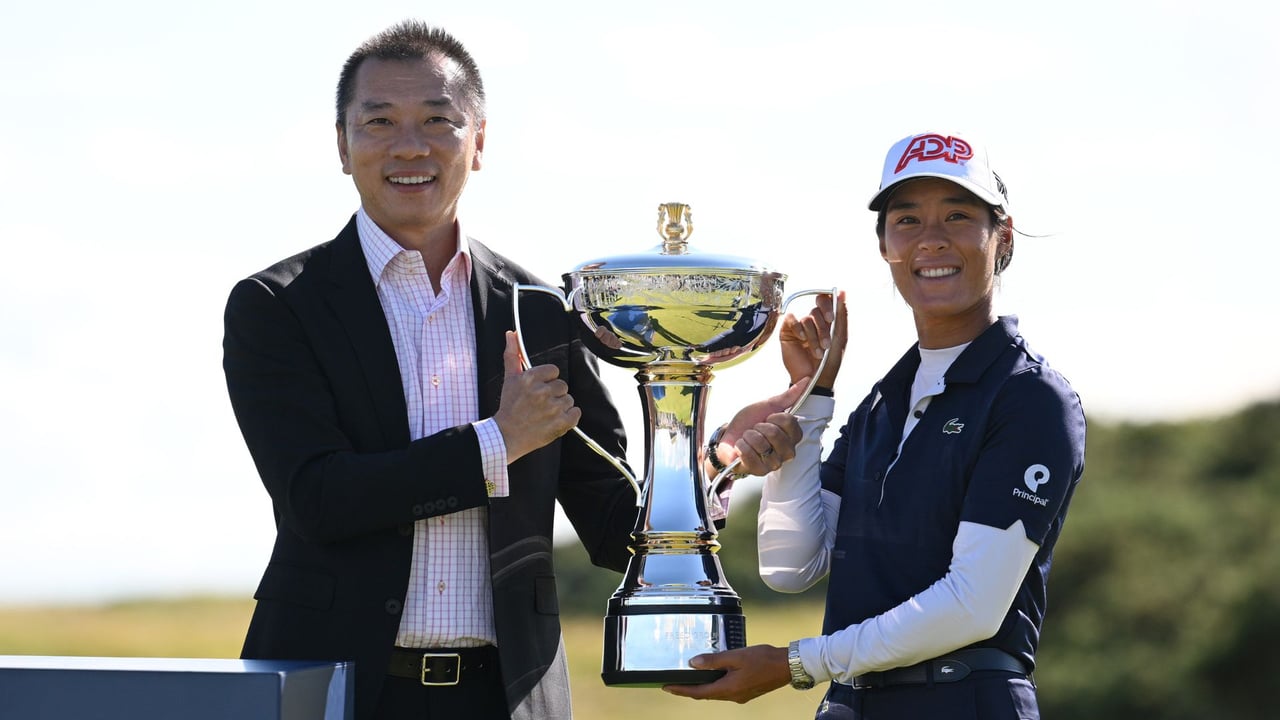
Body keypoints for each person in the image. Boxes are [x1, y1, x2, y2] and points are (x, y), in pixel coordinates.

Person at [221, 21, 639, 720]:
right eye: (379, 122)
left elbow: (611, 520)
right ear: (341, 144)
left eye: (437, 121)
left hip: (508, 697)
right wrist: (497, 443)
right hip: (334, 689)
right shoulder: (277, 305)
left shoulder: (541, 312)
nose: (409, 146)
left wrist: (715, 462)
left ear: (478, 142)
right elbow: (318, 499)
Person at [665, 132, 1087, 719]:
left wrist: (795, 663)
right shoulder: (884, 402)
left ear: (1003, 236)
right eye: (907, 219)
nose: (931, 239)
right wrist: (809, 405)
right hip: (852, 706)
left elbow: (972, 606)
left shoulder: (1031, 398)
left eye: (959, 215)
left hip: (965, 701)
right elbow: (791, 566)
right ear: (885, 245)